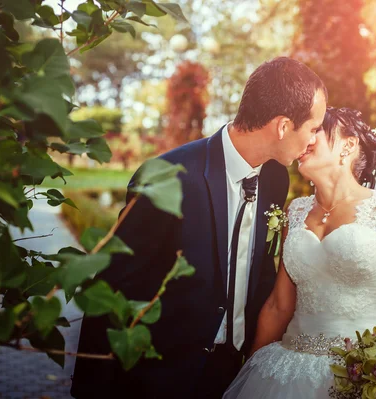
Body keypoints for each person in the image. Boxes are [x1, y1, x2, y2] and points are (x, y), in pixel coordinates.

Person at [70, 57, 328, 399]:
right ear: (282, 126)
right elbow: (112, 285)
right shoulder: (167, 177)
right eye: (313, 128)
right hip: (163, 376)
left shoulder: (276, 179)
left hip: (234, 375)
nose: (313, 141)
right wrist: (92, 389)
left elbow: (259, 270)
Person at [223, 107, 376, 398]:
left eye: (317, 130)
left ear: (348, 145)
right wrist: (250, 364)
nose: (307, 137)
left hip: (364, 372)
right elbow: (279, 304)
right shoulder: (296, 212)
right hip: (289, 368)